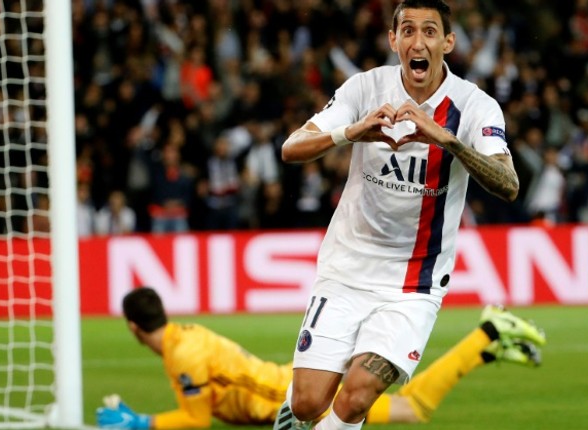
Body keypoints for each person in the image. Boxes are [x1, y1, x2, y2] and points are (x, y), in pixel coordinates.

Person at [276, 1, 524, 429]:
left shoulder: (474, 107)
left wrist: (448, 141)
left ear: (448, 41)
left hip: (414, 283)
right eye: (407, 30)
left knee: (355, 397)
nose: (417, 41)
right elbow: (291, 148)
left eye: (430, 31)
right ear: (393, 40)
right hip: (346, 268)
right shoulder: (364, 89)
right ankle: (295, 411)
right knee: (306, 404)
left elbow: (509, 183)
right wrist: (350, 132)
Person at [95, 287, 546, 429]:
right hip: (278, 389)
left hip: (289, 396)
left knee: (415, 407)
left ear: (134, 328)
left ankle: (489, 329)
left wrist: (141, 423)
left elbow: (196, 421)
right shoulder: (182, 340)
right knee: (412, 406)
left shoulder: (183, 354)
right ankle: (489, 349)